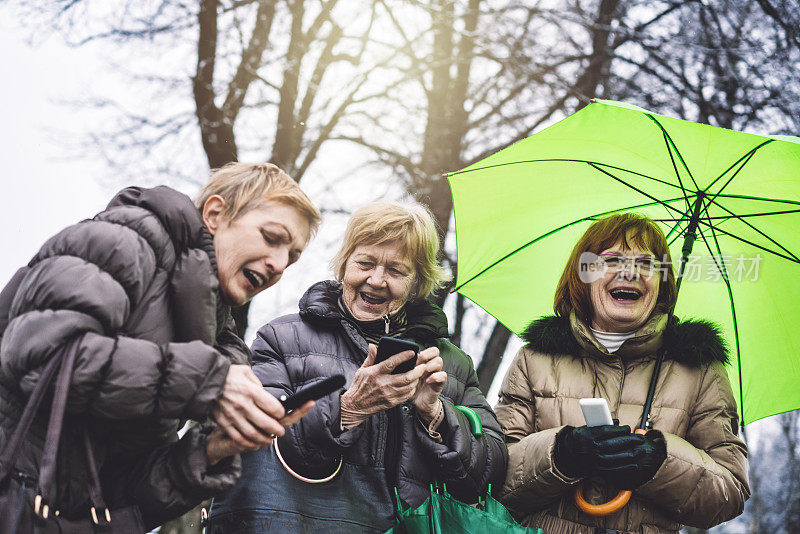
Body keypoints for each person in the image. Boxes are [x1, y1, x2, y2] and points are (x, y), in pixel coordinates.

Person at [0, 162, 321, 530]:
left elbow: (118, 497)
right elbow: (42, 354)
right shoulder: (123, 241)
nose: (279, 265)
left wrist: (207, 451)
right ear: (215, 214)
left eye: (292, 258)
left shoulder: (209, 335)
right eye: (271, 237)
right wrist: (206, 382)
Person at [209, 200, 507, 533]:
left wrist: (435, 415)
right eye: (364, 263)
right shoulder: (282, 338)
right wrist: (348, 409)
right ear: (344, 263)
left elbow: (489, 474)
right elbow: (254, 441)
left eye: (395, 271)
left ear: (418, 281)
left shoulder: (451, 363)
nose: (376, 280)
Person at [495, 212, 750, 533]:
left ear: (663, 283)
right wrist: (561, 454)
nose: (629, 272)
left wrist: (659, 462)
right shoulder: (534, 360)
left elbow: (730, 493)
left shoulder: (701, 370)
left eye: (646, 264)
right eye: (612, 259)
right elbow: (492, 478)